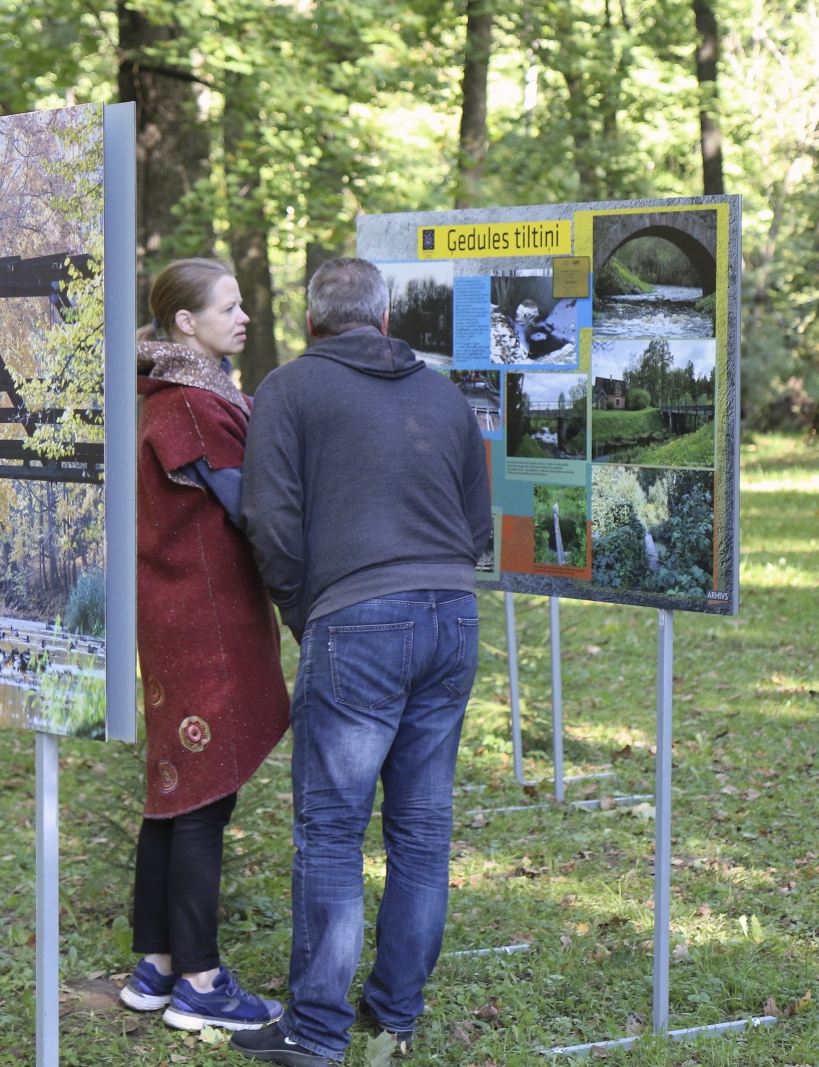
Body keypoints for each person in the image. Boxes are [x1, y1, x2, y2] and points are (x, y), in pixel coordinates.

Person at [232, 259, 492, 1066]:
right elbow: (479, 525)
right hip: (453, 613)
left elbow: (267, 518)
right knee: (422, 828)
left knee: (333, 831)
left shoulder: (287, 388)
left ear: (314, 322)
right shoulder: (445, 396)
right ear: (384, 321)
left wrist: (303, 610)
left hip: (357, 616)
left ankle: (315, 1034)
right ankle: (394, 1021)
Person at [121, 258, 291, 1032]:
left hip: (177, 617)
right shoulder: (192, 405)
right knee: (202, 798)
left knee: (174, 790)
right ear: (185, 323)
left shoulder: (176, 396)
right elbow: (250, 510)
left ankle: (155, 963)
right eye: (228, 306)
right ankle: (200, 979)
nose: (244, 314)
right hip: (205, 623)